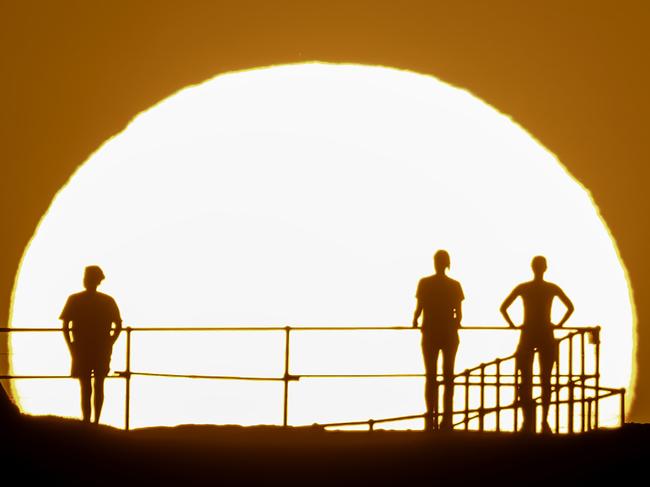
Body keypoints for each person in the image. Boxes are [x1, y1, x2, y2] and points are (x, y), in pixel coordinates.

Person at [500, 256, 574, 433]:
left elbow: (503, 307)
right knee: (546, 380)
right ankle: (544, 420)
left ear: (532, 268)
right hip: (546, 334)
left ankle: (527, 420)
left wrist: (513, 325)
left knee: (525, 379)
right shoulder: (551, 288)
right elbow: (570, 307)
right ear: (545, 268)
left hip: (528, 334)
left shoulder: (524, 288)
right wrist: (558, 324)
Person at [60, 265, 122, 424]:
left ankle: (88, 421)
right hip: (98, 348)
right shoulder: (107, 301)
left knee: (86, 386)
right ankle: (94, 421)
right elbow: (118, 325)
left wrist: (72, 346)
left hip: (82, 348)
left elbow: (65, 327)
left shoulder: (74, 299)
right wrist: (110, 342)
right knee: (98, 384)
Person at [413, 250, 464, 431]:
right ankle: (447, 419)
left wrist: (414, 321)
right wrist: (455, 323)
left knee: (431, 376)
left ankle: (430, 416)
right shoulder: (455, 285)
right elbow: (459, 314)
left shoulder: (425, 283)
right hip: (449, 333)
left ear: (435, 263)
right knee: (448, 376)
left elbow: (419, 309)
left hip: (430, 332)